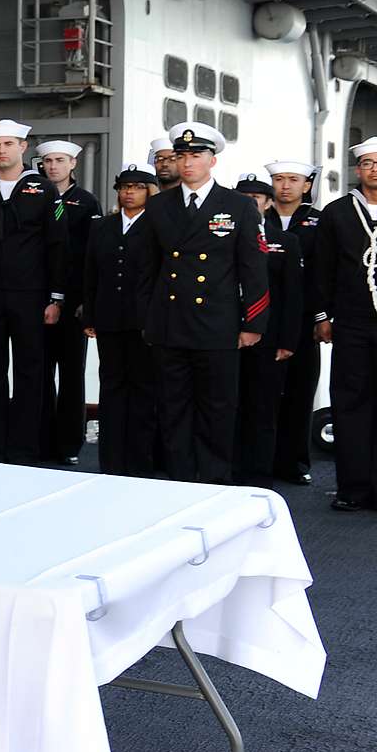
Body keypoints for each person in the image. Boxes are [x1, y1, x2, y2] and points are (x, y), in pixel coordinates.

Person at [133, 122, 269, 483]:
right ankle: (180, 480)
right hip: (171, 322)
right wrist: (147, 318)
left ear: (212, 160)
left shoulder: (237, 205)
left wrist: (253, 322)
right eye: (182, 156)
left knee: (217, 409)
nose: (188, 162)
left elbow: (253, 269)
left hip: (218, 324)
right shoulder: (159, 205)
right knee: (173, 408)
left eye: (196, 155)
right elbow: (147, 268)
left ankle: (214, 479)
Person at [0, 119, 68, 465]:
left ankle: (24, 449)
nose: (2, 151)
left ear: (23, 147)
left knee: (30, 372)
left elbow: (57, 245)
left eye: (9, 144)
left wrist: (56, 297)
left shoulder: (44, 190)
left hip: (30, 295)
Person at [312, 136, 377, 513]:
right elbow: (322, 268)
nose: (375, 168)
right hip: (351, 323)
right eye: (368, 163)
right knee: (350, 403)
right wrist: (322, 316)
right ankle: (352, 488)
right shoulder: (337, 212)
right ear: (358, 170)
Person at [84, 163, 158, 476]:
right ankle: (111, 461)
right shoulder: (102, 226)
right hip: (109, 318)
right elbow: (91, 273)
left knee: (143, 390)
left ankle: (140, 463)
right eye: (124, 187)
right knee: (111, 387)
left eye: (137, 187)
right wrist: (89, 314)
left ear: (149, 191)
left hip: (144, 321)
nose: (129, 192)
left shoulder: (157, 226)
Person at [232, 174, 303, 483]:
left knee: (263, 409)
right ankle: (227, 470)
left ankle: (259, 474)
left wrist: (287, 341)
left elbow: (293, 296)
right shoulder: (222, 237)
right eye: (243, 199)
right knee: (227, 405)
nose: (249, 204)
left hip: (269, 337)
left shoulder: (285, 241)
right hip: (227, 335)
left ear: (268, 203)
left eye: (256, 199)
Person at [36, 139, 102, 464]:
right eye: (48, 161)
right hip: (38, 298)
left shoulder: (87, 204)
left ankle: (69, 444)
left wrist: (87, 301)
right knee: (38, 371)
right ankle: (41, 438)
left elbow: (94, 256)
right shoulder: (33, 198)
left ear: (73, 164)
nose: (53, 167)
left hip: (73, 301)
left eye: (59, 160)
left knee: (72, 374)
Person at [268, 158, 322, 485]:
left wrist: (321, 315)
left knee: (300, 392)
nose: (285, 185)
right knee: (262, 393)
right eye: (279, 179)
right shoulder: (258, 218)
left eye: (293, 179)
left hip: (303, 318)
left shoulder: (320, 221)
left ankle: (295, 463)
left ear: (307, 185)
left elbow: (325, 271)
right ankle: (261, 459)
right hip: (265, 317)